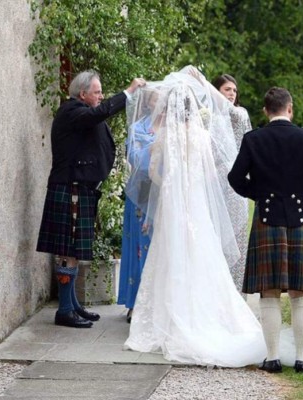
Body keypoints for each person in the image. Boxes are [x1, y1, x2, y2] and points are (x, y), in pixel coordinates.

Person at [124, 68, 268, 368]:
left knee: (171, 258)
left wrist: (168, 186)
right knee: (202, 256)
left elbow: (154, 173)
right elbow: (211, 173)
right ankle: (210, 315)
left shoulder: (164, 136)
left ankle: (172, 318)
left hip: (173, 207)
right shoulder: (202, 134)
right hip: (197, 206)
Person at [228, 86, 303, 373]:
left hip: (266, 220)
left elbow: (235, 178)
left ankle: (271, 358)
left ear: (265, 110)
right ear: (290, 108)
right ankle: (302, 358)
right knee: (301, 292)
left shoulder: (253, 139)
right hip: (300, 219)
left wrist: (258, 194)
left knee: (268, 292)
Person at [36, 70, 145, 328]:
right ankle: (64, 310)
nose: (101, 96)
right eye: (97, 92)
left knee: (72, 249)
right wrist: (128, 93)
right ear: (83, 93)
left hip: (80, 188)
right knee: (68, 251)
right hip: (71, 187)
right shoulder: (72, 111)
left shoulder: (81, 113)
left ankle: (72, 305)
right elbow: (100, 113)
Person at [117, 91, 158, 322]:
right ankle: (135, 303)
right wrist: (153, 152)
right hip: (141, 193)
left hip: (164, 194)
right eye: (154, 98)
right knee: (139, 248)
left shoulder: (171, 125)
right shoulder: (138, 128)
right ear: (146, 102)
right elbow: (135, 159)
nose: (158, 102)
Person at [211, 73, 252, 292]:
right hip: (214, 181)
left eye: (234, 91)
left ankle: (236, 291)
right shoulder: (207, 115)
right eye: (227, 89)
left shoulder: (240, 113)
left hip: (235, 182)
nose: (232, 94)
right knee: (216, 238)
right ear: (217, 90)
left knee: (237, 237)